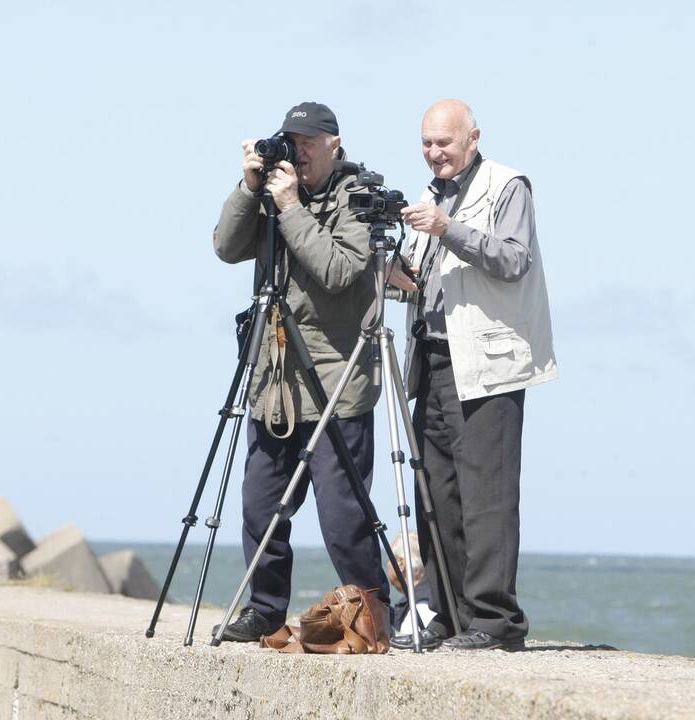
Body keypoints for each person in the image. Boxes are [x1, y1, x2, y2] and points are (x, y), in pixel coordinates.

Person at [211, 101, 387, 641]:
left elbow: (338, 271)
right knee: (259, 507)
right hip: (276, 381)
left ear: (336, 143)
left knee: (343, 519)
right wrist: (249, 189)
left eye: (310, 140)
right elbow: (225, 247)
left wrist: (290, 207)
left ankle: (373, 617)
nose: (300, 150)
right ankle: (264, 610)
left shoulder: (359, 198)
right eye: (293, 140)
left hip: (336, 383)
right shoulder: (271, 193)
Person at [389, 99, 558, 651]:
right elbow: (423, 281)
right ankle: (450, 615)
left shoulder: (508, 186)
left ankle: (496, 620)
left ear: (473, 138)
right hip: (432, 358)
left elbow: (512, 260)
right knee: (435, 491)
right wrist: (391, 272)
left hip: (487, 364)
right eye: (426, 143)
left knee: (486, 495)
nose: (433, 152)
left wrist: (448, 228)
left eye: (444, 142)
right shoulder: (428, 197)